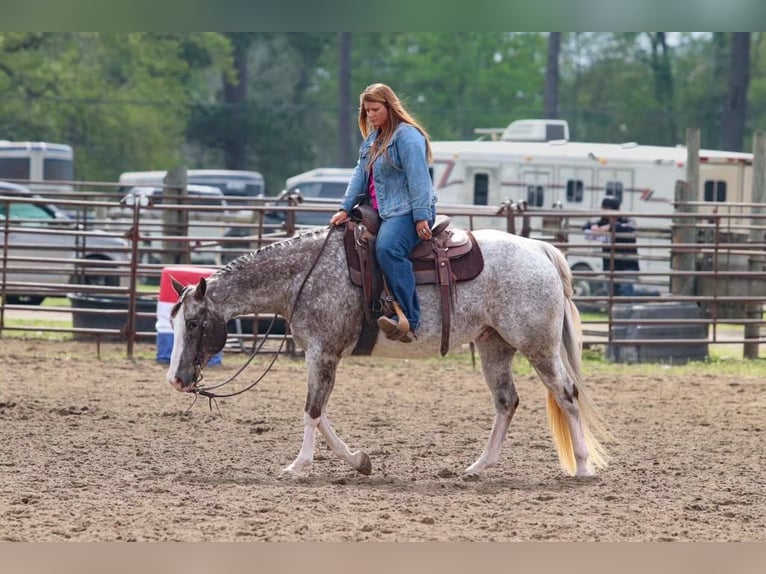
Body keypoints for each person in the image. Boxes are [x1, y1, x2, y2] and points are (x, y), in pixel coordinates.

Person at [330, 83, 436, 342]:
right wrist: (345, 208)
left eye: (375, 109)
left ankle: (409, 319)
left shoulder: (407, 136)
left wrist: (421, 215)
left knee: (388, 248)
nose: (370, 116)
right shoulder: (372, 140)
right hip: (379, 211)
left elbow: (419, 178)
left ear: (389, 107)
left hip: (406, 210)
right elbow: (359, 174)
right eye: (366, 111)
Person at [583, 196, 639, 296]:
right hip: (610, 266)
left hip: (627, 266)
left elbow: (631, 227)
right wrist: (593, 227)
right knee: (611, 294)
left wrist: (611, 227)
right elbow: (586, 226)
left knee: (625, 294)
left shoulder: (626, 220)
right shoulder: (604, 221)